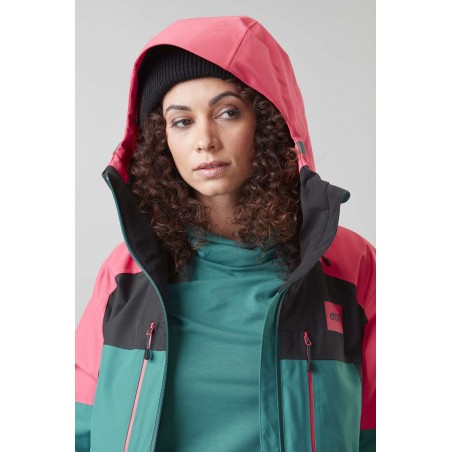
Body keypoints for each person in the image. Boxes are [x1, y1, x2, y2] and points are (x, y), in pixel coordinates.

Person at [75, 16, 376, 452]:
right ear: (162, 140)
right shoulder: (126, 273)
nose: (205, 140)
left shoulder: (349, 266)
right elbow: (78, 428)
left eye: (228, 112)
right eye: (182, 121)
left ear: (269, 123)